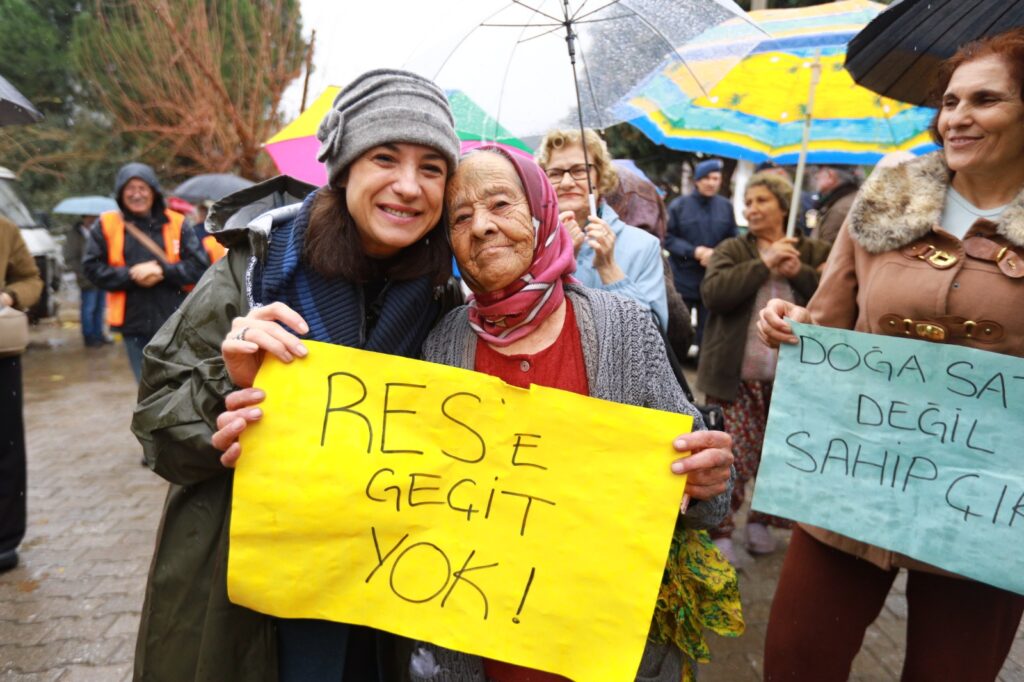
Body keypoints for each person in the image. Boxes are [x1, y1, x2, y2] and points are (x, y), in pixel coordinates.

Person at [130, 69, 462, 682]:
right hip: (252, 599)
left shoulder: (449, 298)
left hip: (386, 591)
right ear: (343, 170)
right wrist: (224, 392)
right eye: (384, 157)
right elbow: (156, 425)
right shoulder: (252, 273)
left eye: (433, 167)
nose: (409, 186)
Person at [392, 147, 739, 681]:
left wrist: (710, 478)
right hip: (488, 653)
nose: (481, 227)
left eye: (501, 205)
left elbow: (707, 504)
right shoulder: (440, 345)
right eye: (460, 218)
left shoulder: (621, 326)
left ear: (540, 211)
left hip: (607, 647)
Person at [757, 29, 1024, 681]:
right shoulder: (891, 191)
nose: (957, 117)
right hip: (854, 471)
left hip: (988, 497)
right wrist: (793, 326)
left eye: (985, 100)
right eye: (951, 101)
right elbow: (828, 321)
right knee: (796, 660)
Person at [696, 172, 830, 564]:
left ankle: (763, 521)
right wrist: (762, 264)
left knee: (781, 455)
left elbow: (832, 303)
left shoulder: (816, 251)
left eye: (761, 201)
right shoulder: (733, 249)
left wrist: (799, 273)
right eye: (748, 202)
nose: (751, 209)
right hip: (737, 380)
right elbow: (714, 295)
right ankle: (720, 529)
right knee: (733, 455)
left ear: (784, 206)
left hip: (793, 383)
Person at [83, 163, 208, 382]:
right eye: (130, 188)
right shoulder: (106, 224)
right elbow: (92, 269)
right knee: (145, 387)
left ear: (153, 191)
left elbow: (199, 267)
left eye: (142, 188)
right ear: (121, 193)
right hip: (133, 323)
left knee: (179, 384)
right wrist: (132, 274)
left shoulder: (177, 223)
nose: (136, 194)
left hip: (176, 320)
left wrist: (163, 271)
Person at [536, 128, 669, 330]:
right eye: (555, 173)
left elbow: (653, 335)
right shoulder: (529, 244)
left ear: (599, 176)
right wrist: (558, 265)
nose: (566, 182)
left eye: (579, 170)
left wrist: (609, 268)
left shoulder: (644, 246)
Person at [0, 215, 43, 573]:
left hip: (0, 356)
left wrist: (10, 295)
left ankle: (5, 539)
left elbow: (30, 279)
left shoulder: (4, 229)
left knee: (6, 447)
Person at [665, 158, 737, 351]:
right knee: (679, 331)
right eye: (707, 178)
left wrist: (717, 253)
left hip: (712, 280)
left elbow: (733, 238)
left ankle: (702, 370)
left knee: (709, 334)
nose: (712, 183)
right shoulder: (679, 206)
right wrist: (694, 251)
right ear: (697, 181)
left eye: (716, 178)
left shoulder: (725, 207)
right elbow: (667, 237)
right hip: (683, 279)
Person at [63, 215, 109, 347]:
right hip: (86, 279)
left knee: (100, 308)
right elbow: (70, 257)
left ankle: (99, 334)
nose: (92, 220)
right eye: (89, 218)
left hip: (101, 276)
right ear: (84, 218)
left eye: (94, 218)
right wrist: (82, 274)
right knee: (89, 308)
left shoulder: (99, 232)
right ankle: (89, 337)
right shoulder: (75, 235)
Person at [809, 164, 860, 245]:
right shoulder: (850, 199)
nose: (816, 176)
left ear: (830, 175)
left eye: (819, 170)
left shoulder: (839, 211)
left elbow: (826, 252)